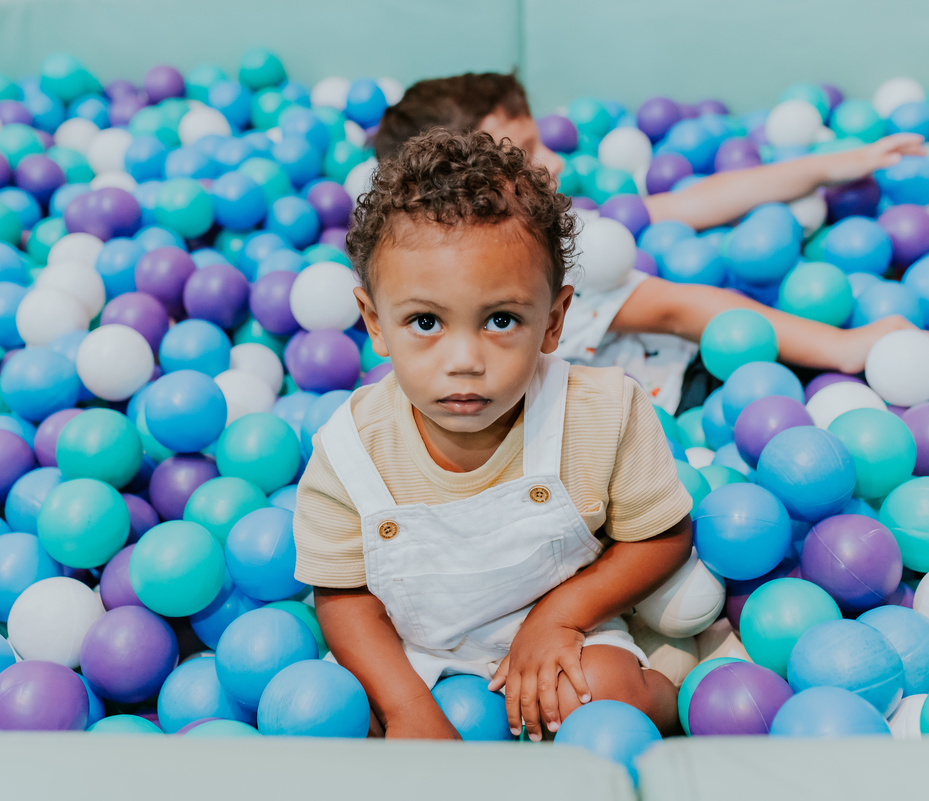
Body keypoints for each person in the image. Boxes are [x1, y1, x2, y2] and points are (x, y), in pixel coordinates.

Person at [295, 130, 693, 740]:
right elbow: (344, 598)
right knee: (322, 717)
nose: (464, 360)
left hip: (566, 629)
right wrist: (407, 708)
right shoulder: (350, 451)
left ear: (553, 321)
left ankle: (673, 684)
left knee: (603, 697)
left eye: (500, 320)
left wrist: (559, 617)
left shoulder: (601, 413)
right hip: (409, 655)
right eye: (425, 321)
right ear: (375, 324)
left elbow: (663, 536)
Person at [375, 73, 920, 411]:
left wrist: (828, 166)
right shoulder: (554, 256)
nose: (557, 160)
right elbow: (681, 309)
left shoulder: (553, 231)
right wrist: (841, 347)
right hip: (693, 391)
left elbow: (699, 202)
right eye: (527, 151)